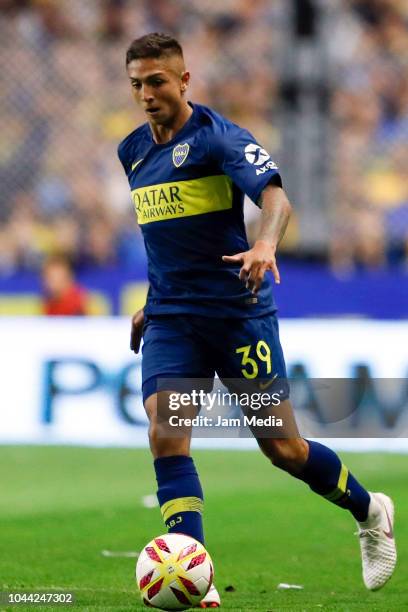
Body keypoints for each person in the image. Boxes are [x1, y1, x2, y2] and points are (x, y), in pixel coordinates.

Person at [118, 33, 397, 607]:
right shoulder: (132, 152)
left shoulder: (220, 138)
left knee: (284, 450)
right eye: (137, 85)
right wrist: (153, 298)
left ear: (184, 80)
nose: (146, 95)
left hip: (238, 315)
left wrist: (265, 246)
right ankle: (193, 571)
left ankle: (370, 510)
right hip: (173, 317)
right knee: (165, 431)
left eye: (157, 82)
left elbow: (277, 200)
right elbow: (165, 238)